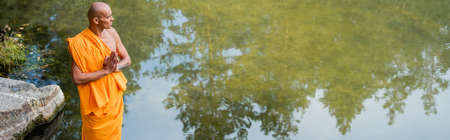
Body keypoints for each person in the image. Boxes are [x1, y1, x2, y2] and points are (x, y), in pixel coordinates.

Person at [66, 2, 131, 140]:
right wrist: (105, 71)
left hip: (114, 99)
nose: (112, 19)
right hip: (95, 106)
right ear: (96, 20)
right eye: (108, 17)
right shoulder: (80, 43)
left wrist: (115, 68)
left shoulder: (112, 33)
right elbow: (77, 78)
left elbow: (127, 59)